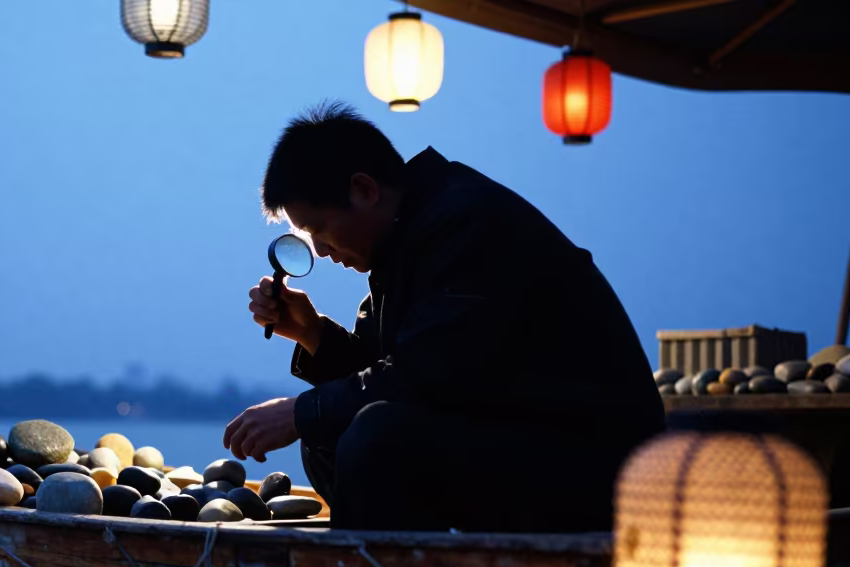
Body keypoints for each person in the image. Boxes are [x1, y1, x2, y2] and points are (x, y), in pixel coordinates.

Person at [222, 101, 666, 533]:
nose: (320, 250)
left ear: (364, 189)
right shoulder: (405, 239)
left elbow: (428, 378)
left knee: (374, 437)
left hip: (596, 465)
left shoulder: (469, 224)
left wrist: (300, 412)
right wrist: (313, 333)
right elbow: (391, 374)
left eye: (318, 230)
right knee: (330, 433)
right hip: (515, 440)